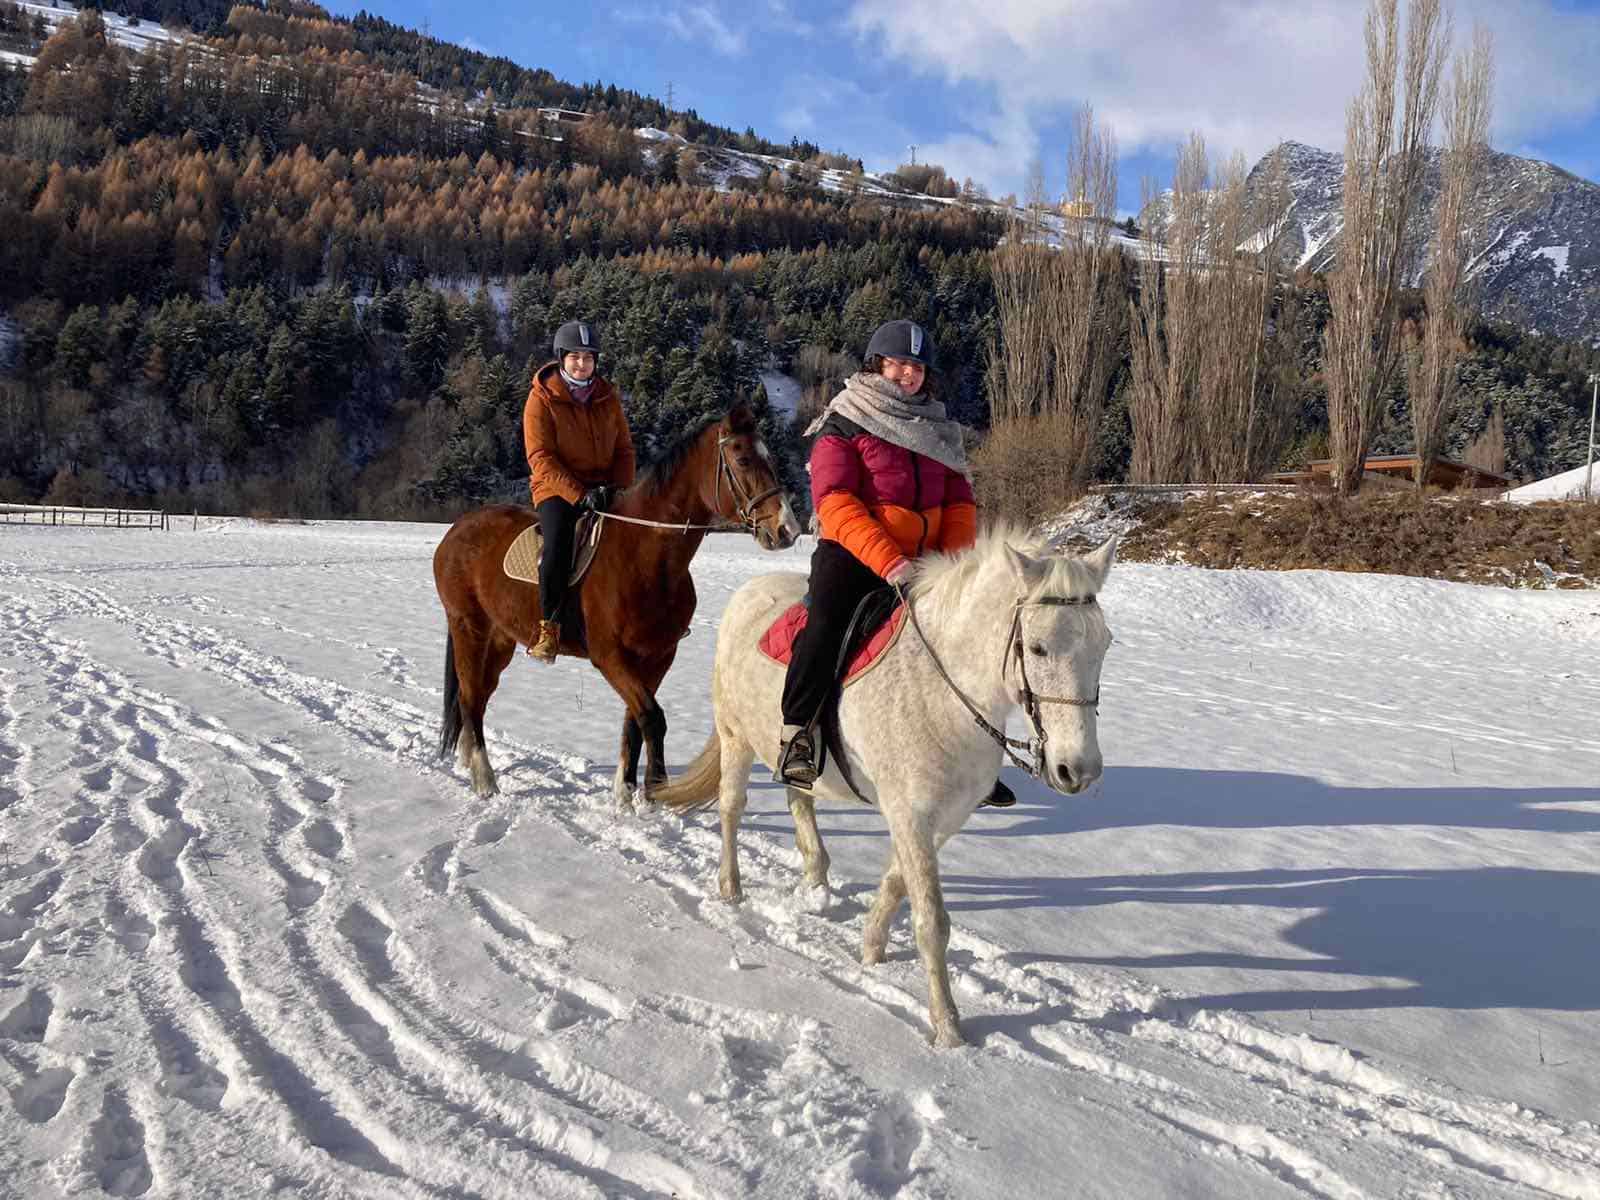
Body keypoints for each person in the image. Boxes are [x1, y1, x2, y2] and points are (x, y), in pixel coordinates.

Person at [779, 318, 1011, 806]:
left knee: (970, 640)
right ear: (876, 364)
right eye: (900, 363)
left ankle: (975, 755)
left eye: (918, 367)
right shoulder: (843, 422)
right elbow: (835, 502)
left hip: (926, 563)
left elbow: (959, 503)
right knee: (825, 626)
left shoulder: (938, 430)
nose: (909, 374)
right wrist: (890, 563)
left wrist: (952, 570)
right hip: (854, 554)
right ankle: (798, 733)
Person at [522, 320, 636, 662]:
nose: (582, 364)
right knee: (558, 544)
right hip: (556, 488)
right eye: (574, 357)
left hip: (603, 487)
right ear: (561, 359)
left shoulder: (607, 396)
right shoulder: (541, 399)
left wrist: (619, 488)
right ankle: (550, 629)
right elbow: (540, 457)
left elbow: (624, 449)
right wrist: (578, 495)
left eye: (588, 358)